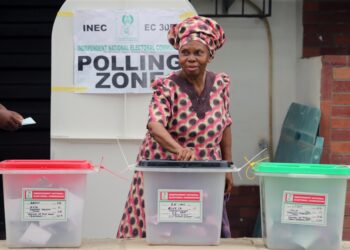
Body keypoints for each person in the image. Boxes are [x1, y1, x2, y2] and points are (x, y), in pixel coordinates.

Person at [117, 16, 233, 238]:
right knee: (163, 228)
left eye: (198, 53)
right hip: (166, 167)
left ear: (210, 55)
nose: (190, 58)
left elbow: (225, 124)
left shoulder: (220, 84)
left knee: (200, 230)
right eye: (185, 52)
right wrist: (178, 150)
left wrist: (227, 167)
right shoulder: (167, 87)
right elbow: (154, 125)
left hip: (206, 169)